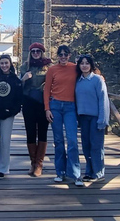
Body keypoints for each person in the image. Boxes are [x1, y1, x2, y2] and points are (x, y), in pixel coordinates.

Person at [44, 45, 83, 187]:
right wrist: (47, 109)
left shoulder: (75, 68)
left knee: (72, 140)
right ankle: (60, 172)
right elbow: (47, 89)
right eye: (60, 54)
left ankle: (76, 174)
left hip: (70, 107)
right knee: (58, 140)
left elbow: (88, 70)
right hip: (55, 106)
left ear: (69, 55)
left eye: (65, 54)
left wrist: (100, 76)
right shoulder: (52, 70)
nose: (63, 57)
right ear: (57, 56)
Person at [75, 54, 110, 183]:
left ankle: (98, 172)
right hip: (83, 118)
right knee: (86, 146)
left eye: (87, 63)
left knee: (96, 146)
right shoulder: (77, 81)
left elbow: (103, 100)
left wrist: (103, 120)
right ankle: (89, 171)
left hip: (96, 117)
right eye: (82, 63)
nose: (84, 65)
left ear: (91, 65)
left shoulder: (97, 80)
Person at [20, 42, 51, 177]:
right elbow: (17, 86)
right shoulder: (24, 67)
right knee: (30, 131)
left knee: (43, 131)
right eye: (33, 51)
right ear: (30, 53)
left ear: (42, 53)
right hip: (28, 103)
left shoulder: (49, 67)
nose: (36, 53)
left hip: (43, 103)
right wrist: (23, 79)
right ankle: (33, 162)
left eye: (38, 51)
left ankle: (39, 163)